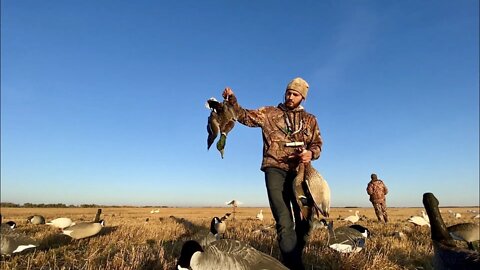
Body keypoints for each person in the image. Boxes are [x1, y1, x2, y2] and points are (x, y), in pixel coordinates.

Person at [222, 77, 322, 270]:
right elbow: (243, 116)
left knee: (306, 221)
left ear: (303, 97)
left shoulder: (310, 120)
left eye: (295, 94)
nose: (290, 96)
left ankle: (294, 253)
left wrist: (311, 153)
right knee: (284, 221)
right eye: (288, 92)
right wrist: (232, 100)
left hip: (300, 174)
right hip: (274, 169)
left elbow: (317, 145)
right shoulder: (269, 113)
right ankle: (294, 265)